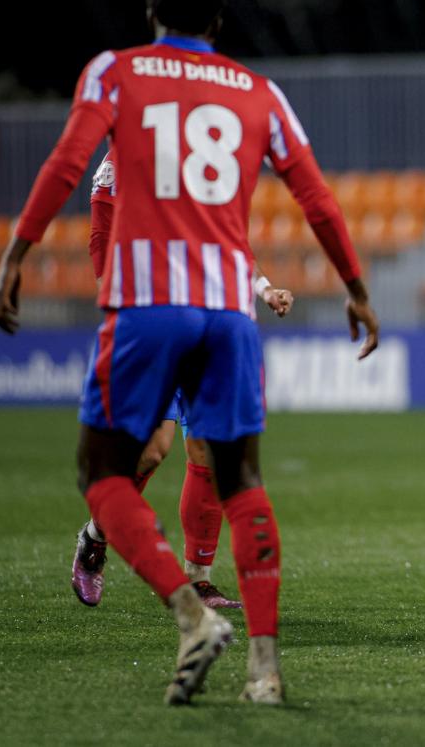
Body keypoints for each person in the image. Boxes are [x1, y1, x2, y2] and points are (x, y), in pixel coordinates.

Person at [0, 0, 379, 705]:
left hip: (148, 306)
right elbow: (318, 197)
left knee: (103, 474)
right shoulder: (258, 91)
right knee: (244, 481)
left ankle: (191, 612)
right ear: (220, 23)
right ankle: (264, 670)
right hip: (227, 313)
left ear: (151, 17)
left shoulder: (115, 73)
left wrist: (17, 252)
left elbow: (70, 160)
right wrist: (356, 287)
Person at [71, 152, 295, 610]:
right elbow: (101, 241)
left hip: (209, 321)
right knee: (153, 448)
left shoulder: (200, 154)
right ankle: (96, 536)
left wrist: (264, 288)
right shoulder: (119, 164)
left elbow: (227, 239)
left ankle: (199, 579)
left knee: (208, 452)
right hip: (152, 321)